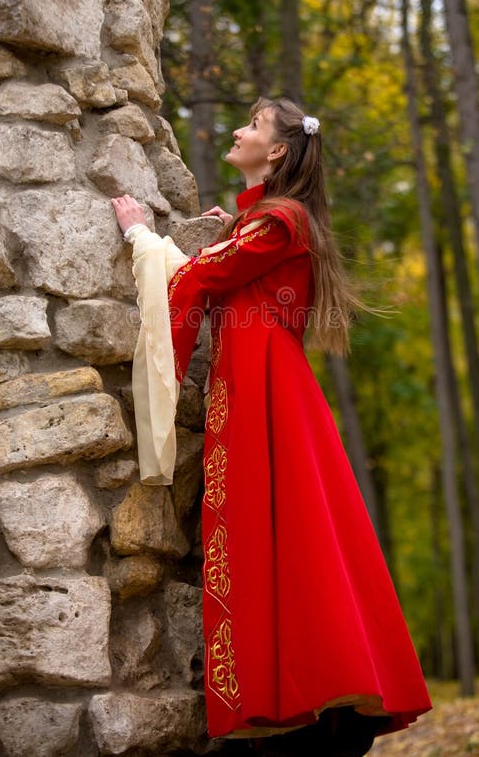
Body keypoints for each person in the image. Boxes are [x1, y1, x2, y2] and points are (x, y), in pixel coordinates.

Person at [112, 97, 431, 757]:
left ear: (278, 150)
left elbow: (201, 276)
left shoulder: (281, 221)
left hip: (267, 394)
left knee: (280, 539)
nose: (236, 130)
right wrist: (234, 225)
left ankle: (306, 700)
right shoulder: (270, 220)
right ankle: (300, 697)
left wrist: (141, 236)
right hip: (258, 386)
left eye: (252, 125)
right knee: (283, 540)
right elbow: (241, 258)